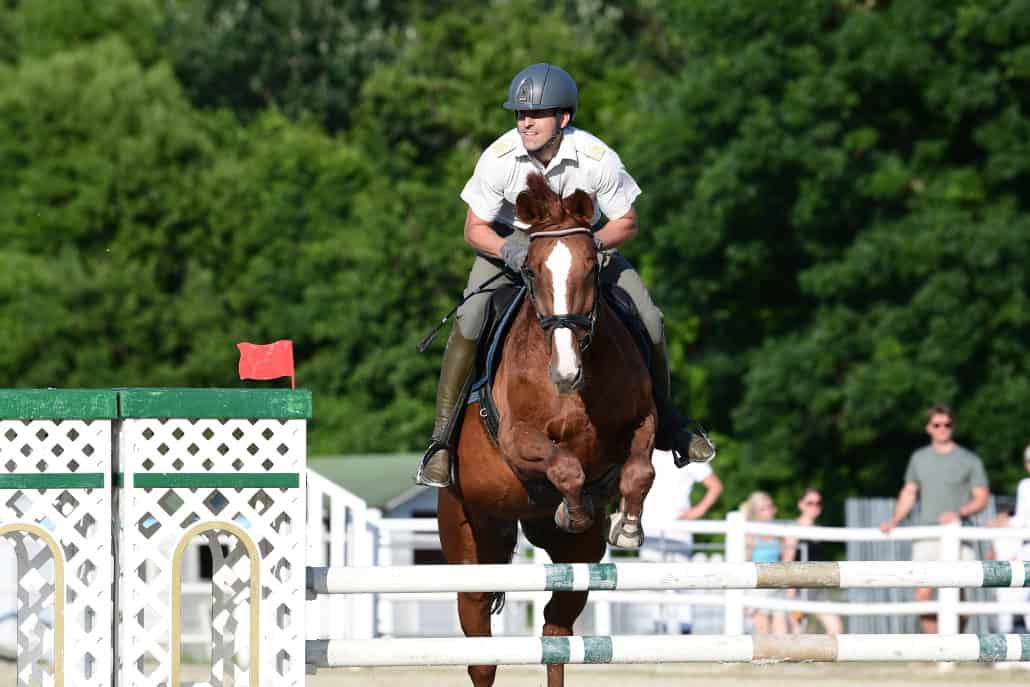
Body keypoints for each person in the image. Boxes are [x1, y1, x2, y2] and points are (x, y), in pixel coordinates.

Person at [416, 62, 714, 487]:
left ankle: (670, 424)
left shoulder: (596, 158)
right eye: (521, 114)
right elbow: (473, 229)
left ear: (564, 117)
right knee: (470, 316)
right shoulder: (498, 159)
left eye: (536, 114)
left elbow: (626, 222)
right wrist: (509, 249)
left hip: (584, 248)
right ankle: (441, 441)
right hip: (511, 246)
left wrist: (586, 249)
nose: (525, 122)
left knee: (650, 318)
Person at [879, 404, 990, 634]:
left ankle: (955, 646)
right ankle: (938, 646)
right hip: (927, 534)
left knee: (961, 597)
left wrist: (959, 513)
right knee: (923, 595)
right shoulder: (919, 458)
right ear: (928, 428)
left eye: (947, 424)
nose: (942, 429)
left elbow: (981, 497)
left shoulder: (969, 459)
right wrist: (895, 519)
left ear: (953, 426)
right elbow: (909, 492)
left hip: (959, 535)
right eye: (937, 425)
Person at [639, 449, 723, 633]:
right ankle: (658, 627)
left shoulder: (687, 454)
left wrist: (696, 512)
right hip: (649, 529)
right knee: (653, 582)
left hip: (678, 531)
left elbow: (715, 486)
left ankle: (686, 628)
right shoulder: (645, 453)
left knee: (682, 581)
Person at [782, 488, 843, 635]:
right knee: (796, 634)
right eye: (810, 503)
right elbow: (787, 561)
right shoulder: (793, 529)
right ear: (801, 504)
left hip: (817, 588)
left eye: (818, 503)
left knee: (836, 629)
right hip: (798, 588)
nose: (814, 506)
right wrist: (790, 593)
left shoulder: (818, 530)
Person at [987, 446, 1030, 634]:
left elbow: (1021, 521)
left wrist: (1003, 522)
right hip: (1024, 546)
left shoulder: (1025, 486)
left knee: (1014, 597)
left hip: (1025, 546)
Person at [743, 491, 788, 634]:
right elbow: (744, 563)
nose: (770, 511)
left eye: (770, 506)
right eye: (764, 508)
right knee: (764, 633)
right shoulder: (750, 535)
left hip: (776, 586)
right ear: (755, 513)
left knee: (782, 634)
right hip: (757, 588)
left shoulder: (778, 533)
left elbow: (786, 559)